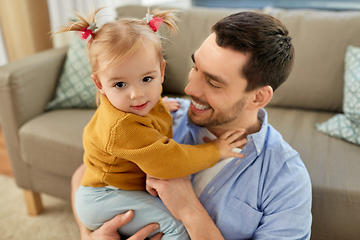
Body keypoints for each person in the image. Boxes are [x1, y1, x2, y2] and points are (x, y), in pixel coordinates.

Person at [72, 10, 312, 240]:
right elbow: (84, 172)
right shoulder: (157, 112)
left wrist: (189, 211)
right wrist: (88, 234)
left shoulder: (285, 179)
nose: (189, 90)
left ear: (258, 98)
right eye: (195, 67)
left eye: (214, 83)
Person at [59, 8, 246, 240]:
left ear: (161, 71)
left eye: (147, 79)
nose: (137, 95)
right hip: (106, 196)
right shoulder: (124, 127)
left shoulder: (134, 107)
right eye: (119, 84)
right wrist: (216, 149)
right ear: (99, 84)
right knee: (177, 228)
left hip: (103, 190)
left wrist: (157, 107)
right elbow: (169, 161)